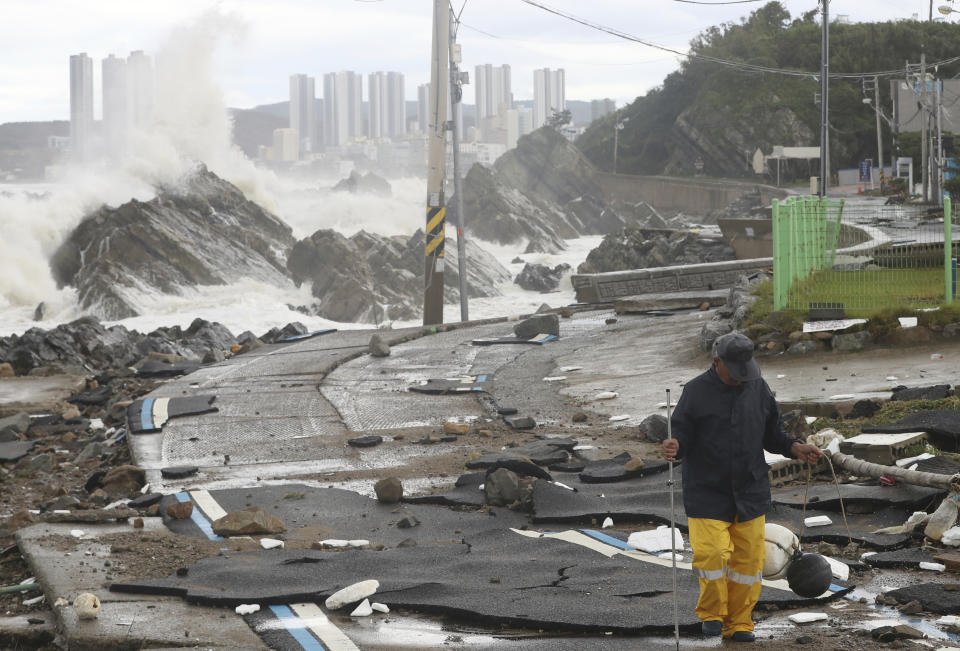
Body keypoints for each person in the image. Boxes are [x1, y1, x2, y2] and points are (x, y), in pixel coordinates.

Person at [661, 332, 823, 642]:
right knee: (712, 555)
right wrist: (674, 446)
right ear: (716, 361)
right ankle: (712, 613)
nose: (740, 378)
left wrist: (795, 448)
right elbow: (680, 437)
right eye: (734, 371)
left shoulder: (758, 388)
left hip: (750, 488)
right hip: (707, 490)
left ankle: (739, 622)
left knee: (748, 562)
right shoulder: (694, 392)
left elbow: (773, 434)